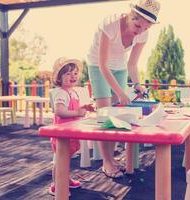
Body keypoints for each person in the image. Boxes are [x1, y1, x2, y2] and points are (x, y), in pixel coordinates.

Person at [87, 0, 161, 178]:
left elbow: (132, 64)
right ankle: (106, 162)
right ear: (130, 15)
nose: (140, 31)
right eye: (137, 25)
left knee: (116, 116)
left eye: (145, 28)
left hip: (120, 67)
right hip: (98, 65)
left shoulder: (143, 35)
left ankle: (111, 159)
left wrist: (136, 84)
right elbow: (103, 65)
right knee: (105, 112)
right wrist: (120, 92)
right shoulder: (109, 25)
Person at [49, 57, 88, 196]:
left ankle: (64, 179)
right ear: (59, 78)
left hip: (70, 132)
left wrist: (82, 109)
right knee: (59, 160)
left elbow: (73, 109)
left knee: (66, 159)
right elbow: (60, 111)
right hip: (61, 134)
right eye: (68, 73)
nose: (73, 76)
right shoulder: (61, 93)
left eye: (75, 73)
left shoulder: (73, 92)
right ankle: (57, 185)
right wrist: (77, 112)